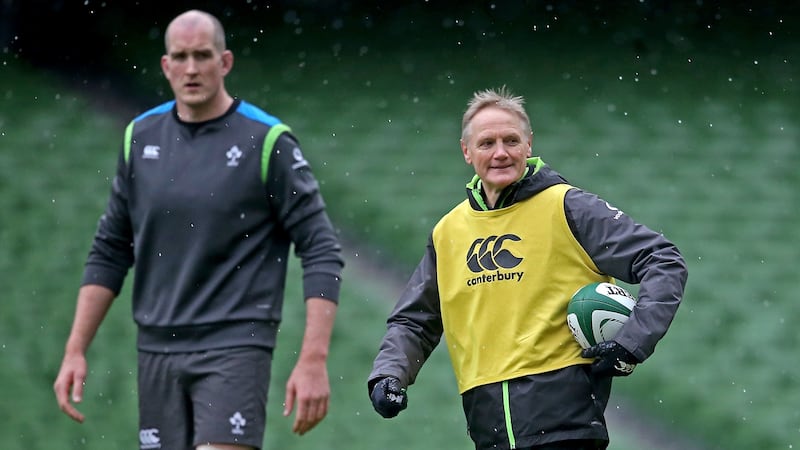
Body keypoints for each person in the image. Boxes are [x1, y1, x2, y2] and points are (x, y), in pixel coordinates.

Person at [53, 9, 344, 450]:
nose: (191, 68)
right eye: (181, 57)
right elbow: (110, 249)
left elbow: (321, 249)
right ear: (166, 66)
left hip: (235, 347)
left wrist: (313, 359)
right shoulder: (139, 138)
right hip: (157, 351)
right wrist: (76, 348)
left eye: (202, 56)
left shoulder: (267, 142)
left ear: (224, 62)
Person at [367, 86, 687, 450]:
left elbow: (663, 259)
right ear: (466, 152)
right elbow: (415, 319)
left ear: (529, 145)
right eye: (487, 143)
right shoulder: (447, 232)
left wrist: (631, 343)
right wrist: (389, 374)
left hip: (567, 428)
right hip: (488, 430)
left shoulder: (568, 206)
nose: (501, 152)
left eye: (511, 140)